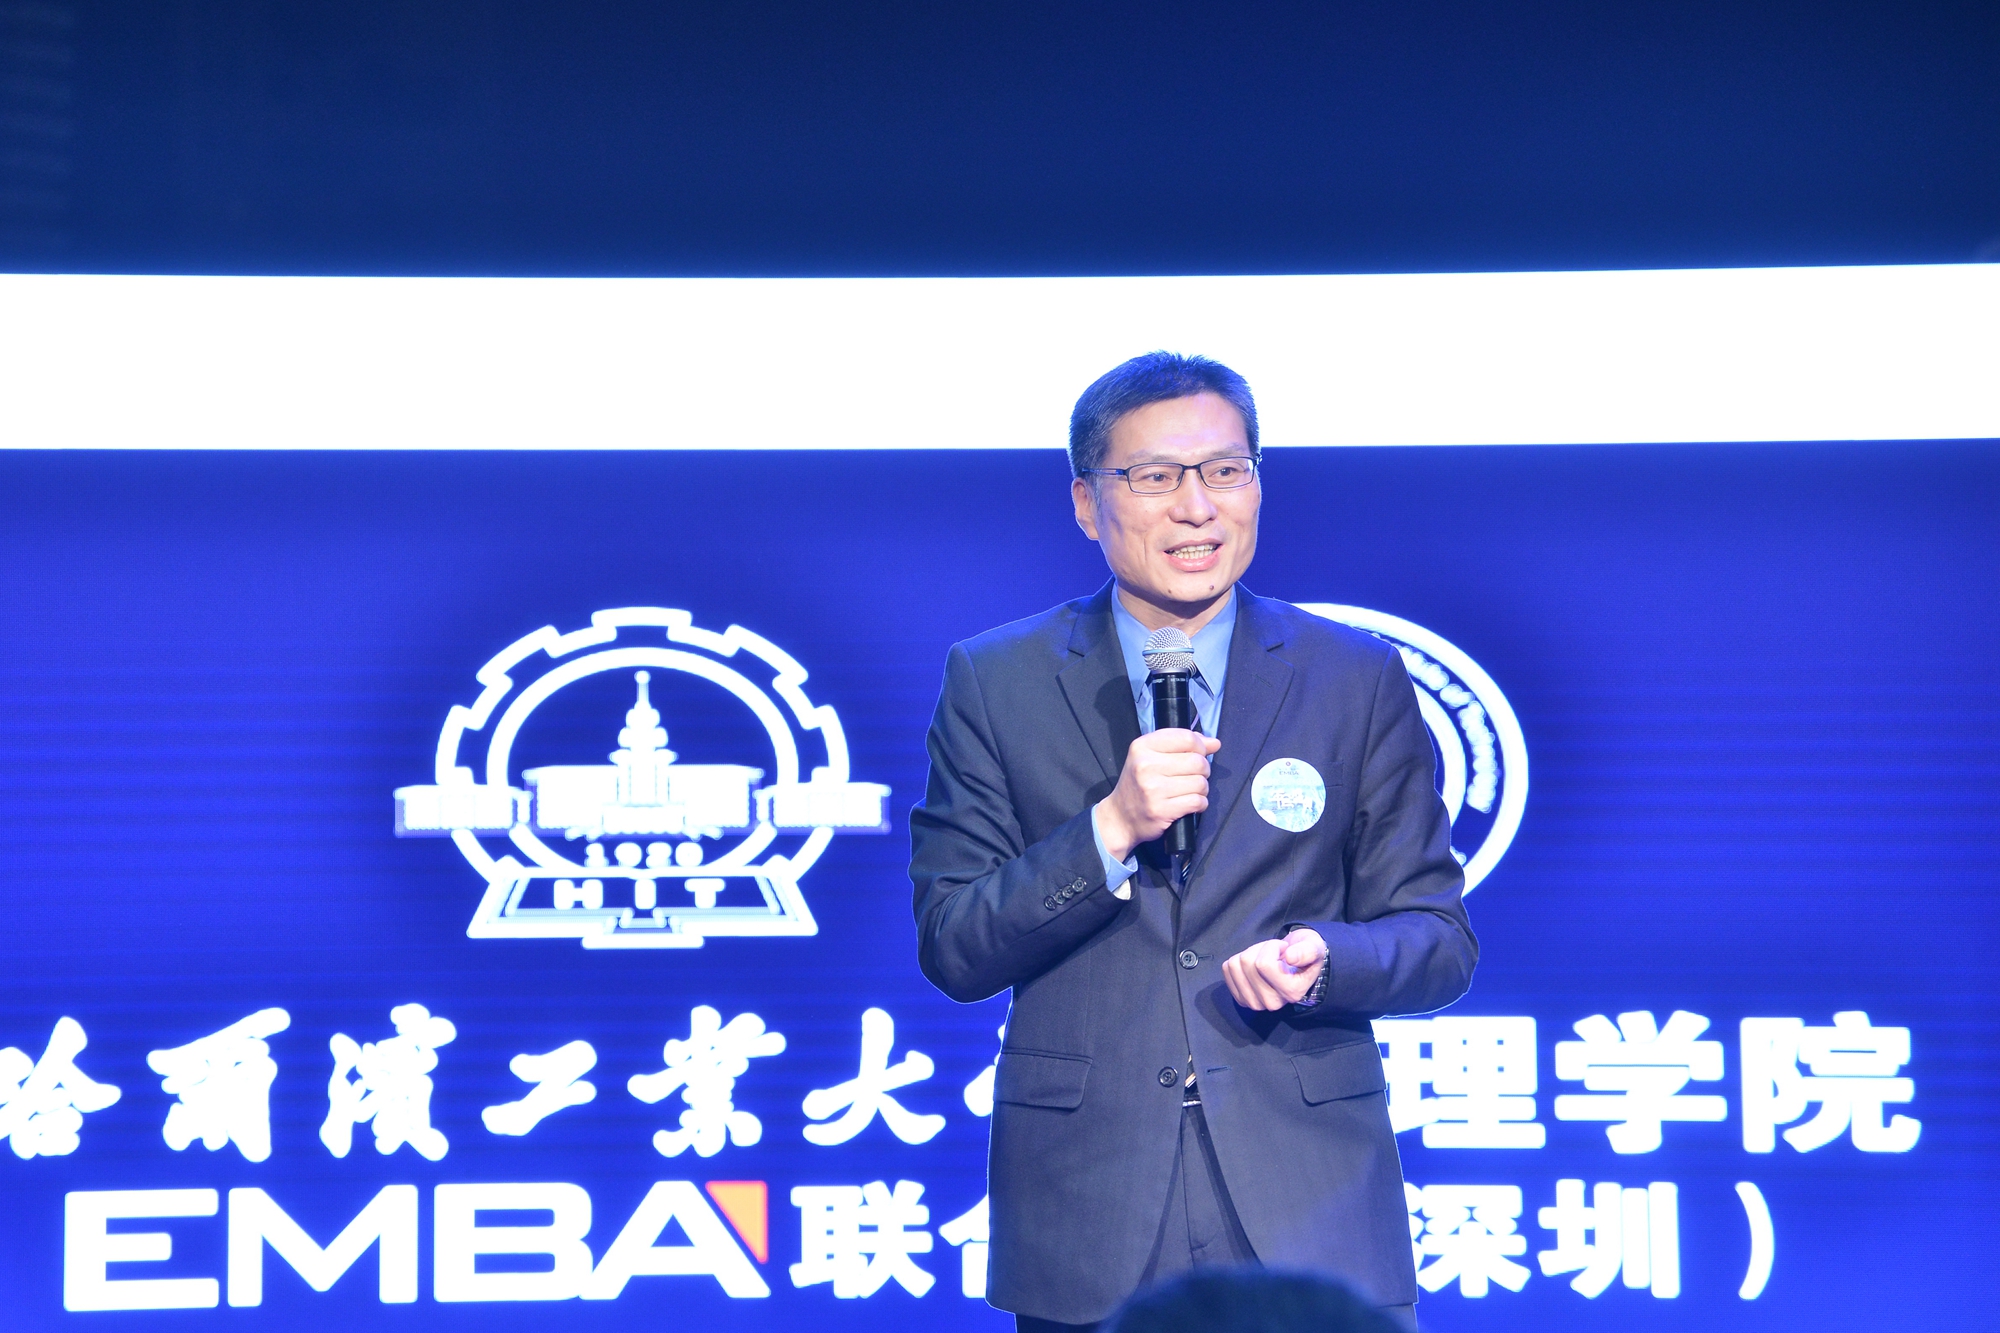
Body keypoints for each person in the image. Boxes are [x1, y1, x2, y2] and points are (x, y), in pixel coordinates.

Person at [910, 351, 1476, 1333]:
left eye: (1225, 470)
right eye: (1154, 476)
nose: (1197, 507)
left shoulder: (1353, 676)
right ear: (1086, 502)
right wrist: (1108, 831)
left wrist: (1325, 959)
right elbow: (954, 944)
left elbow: (1437, 939)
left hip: (1310, 1199)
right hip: (1087, 1207)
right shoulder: (994, 681)